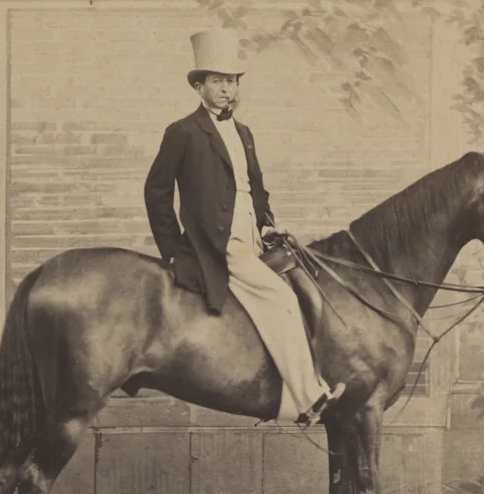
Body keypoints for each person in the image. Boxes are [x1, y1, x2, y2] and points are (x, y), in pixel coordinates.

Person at [144, 27, 345, 425]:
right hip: (218, 245)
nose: (226, 90)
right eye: (217, 81)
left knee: (305, 287)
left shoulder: (244, 133)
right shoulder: (183, 132)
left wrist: (267, 225)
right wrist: (175, 249)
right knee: (281, 300)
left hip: (252, 238)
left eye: (232, 81)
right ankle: (308, 399)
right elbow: (157, 191)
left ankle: (285, 393)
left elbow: (255, 189)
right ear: (199, 86)